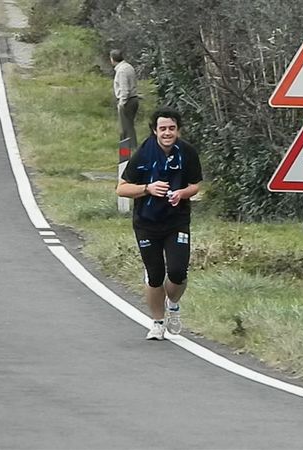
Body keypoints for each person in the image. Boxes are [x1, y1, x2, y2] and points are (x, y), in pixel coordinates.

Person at [116, 107, 203, 340]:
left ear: (178, 130)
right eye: (162, 128)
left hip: (177, 221)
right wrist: (147, 188)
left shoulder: (188, 152)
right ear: (155, 130)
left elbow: (196, 185)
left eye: (171, 128)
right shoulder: (144, 154)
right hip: (147, 223)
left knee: (177, 272)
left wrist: (182, 194)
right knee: (155, 276)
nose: (167, 133)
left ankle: (173, 304)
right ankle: (157, 323)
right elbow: (122, 188)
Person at [110, 49, 139, 150]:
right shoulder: (128, 67)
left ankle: (127, 150)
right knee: (129, 126)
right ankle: (131, 148)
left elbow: (124, 88)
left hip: (128, 101)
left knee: (125, 127)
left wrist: (122, 103)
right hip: (134, 99)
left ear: (112, 59)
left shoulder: (121, 71)